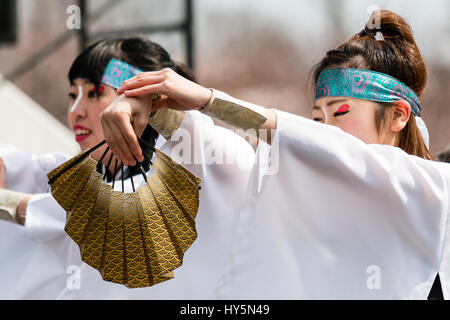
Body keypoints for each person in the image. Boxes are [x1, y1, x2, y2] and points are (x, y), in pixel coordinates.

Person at [101, 10, 450, 299]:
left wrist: (210, 99)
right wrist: (152, 104)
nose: (325, 129)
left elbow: (328, 149)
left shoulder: (433, 187)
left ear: (400, 115)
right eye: (316, 119)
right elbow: (210, 146)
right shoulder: (301, 194)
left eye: (341, 112)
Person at [0, 35, 255, 299]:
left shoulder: (203, 162)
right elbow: (32, 176)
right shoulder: (83, 175)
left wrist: (154, 103)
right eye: (72, 96)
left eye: (94, 93)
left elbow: (75, 212)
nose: (76, 111)